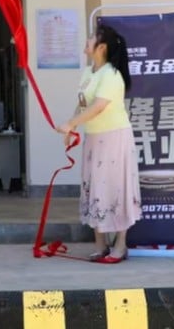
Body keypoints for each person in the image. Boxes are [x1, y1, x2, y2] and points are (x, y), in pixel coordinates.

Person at [56, 23, 141, 264]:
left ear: (101, 47)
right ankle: (100, 244)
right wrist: (71, 127)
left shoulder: (112, 75)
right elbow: (84, 103)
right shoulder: (88, 72)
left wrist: (71, 123)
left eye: (92, 37)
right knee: (94, 188)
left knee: (116, 188)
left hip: (114, 138)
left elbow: (99, 106)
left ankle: (120, 245)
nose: (88, 39)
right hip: (95, 138)